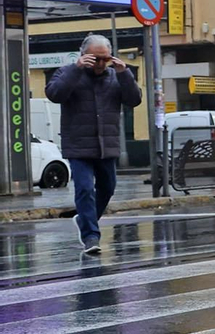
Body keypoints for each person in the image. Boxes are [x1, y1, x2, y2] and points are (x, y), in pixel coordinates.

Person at [45, 34, 143, 255]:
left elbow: (134, 99)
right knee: (85, 188)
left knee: (107, 188)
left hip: (107, 145)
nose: (100, 64)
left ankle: (84, 219)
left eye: (104, 59)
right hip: (78, 146)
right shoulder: (67, 72)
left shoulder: (116, 76)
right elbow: (54, 94)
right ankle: (91, 236)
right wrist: (76, 69)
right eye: (94, 59)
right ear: (83, 56)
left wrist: (124, 73)